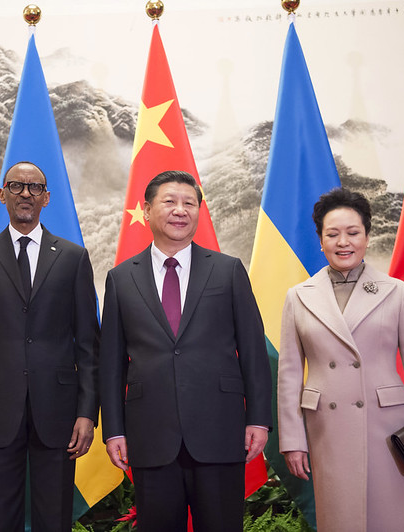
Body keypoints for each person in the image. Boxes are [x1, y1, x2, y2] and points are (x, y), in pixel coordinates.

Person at [100, 170, 272, 532]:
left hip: (219, 430)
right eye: (169, 201)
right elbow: (111, 364)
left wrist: (258, 418)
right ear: (146, 210)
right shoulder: (120, 278)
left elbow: (254, 350)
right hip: (151, 435)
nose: (180, 210)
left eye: (189, 203)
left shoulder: (228, 271)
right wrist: (114, 429)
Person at [277, 187, 404, 532]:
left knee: (392, 519)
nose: (344, 242)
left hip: (386, 427)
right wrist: (292, 440)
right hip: (327, 429)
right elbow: (289, 374)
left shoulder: (396, 291)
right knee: (341, 519)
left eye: (353, 232)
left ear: (367, 237)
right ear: (321, 240)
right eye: (333, 234)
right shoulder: (298, 297)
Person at [0, 161, 99, 532]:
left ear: (46, 198)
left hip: (59, 412)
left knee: (54, 516)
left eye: (35, 188)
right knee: (1, 516)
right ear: (3, 195)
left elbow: (89, 346)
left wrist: (87, 412)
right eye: (16, 186)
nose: (26, 194)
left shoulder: (73, 257)